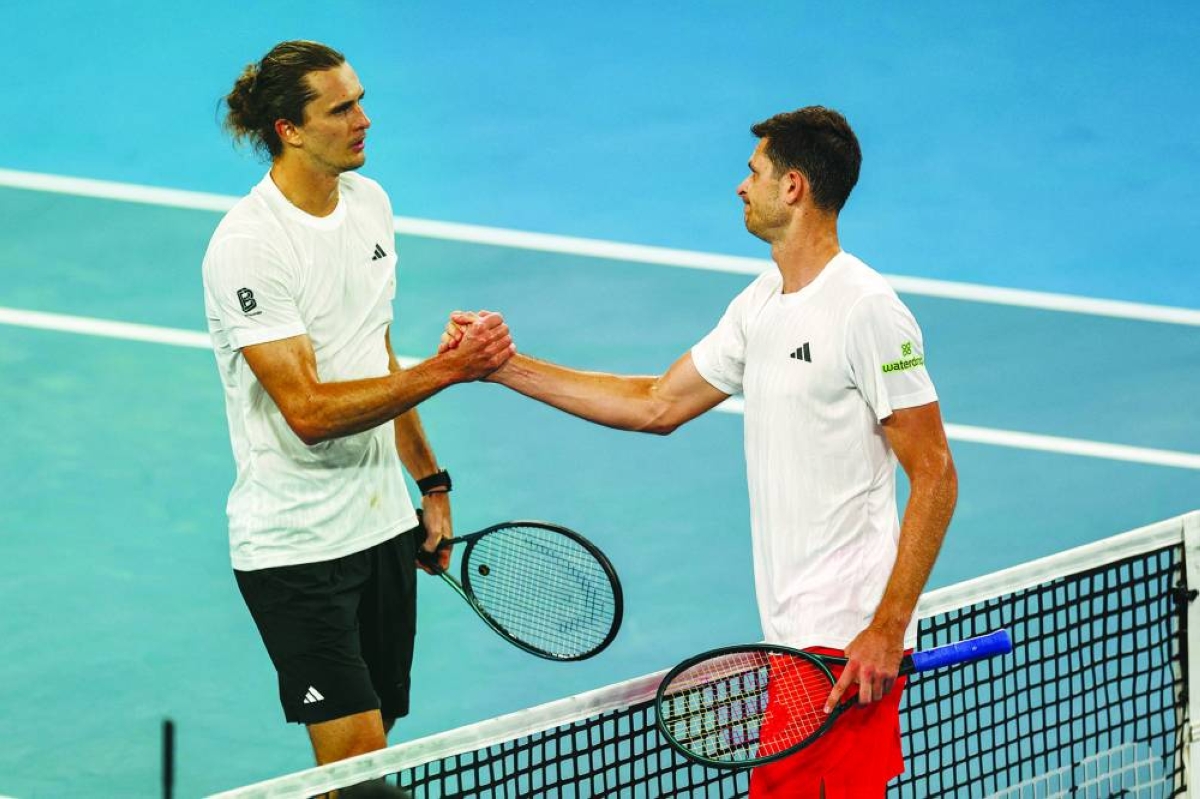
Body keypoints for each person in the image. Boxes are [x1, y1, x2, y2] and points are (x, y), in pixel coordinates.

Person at [440, 107, 957, 797]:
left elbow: (936, 475)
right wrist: (501, 366)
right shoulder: (761, 304)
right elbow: (657, 401)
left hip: (844, 647)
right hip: (794, 644)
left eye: (754, 173)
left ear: (793, 187)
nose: (741, 188)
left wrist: (887, 628)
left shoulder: (866, 310)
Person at [202, 40, 515, 770]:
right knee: (362, 773)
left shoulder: (371, 205)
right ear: (290, 129)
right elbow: (307, 411)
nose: (364, 119)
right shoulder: (249, 246)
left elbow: (376, 355)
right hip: (297, 551)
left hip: (380, 534)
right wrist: (449, 371)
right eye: (341, 108)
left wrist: (431, 484)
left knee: (363, 769)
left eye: (361, 100)